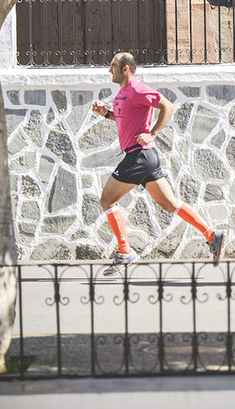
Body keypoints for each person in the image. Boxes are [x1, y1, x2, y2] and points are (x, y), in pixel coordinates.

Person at [92, 52, 227, 275]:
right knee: (170, 204)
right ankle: (213, 236)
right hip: (144, 157)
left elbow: (168, 107)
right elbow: (124, 118)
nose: (109, 70)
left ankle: (125, 251)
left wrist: (153, 133)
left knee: (107, 199)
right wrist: (105, 113)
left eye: (113, 66)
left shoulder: (138, 89)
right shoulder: (123, 94)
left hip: (139, 155)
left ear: (126, 69)